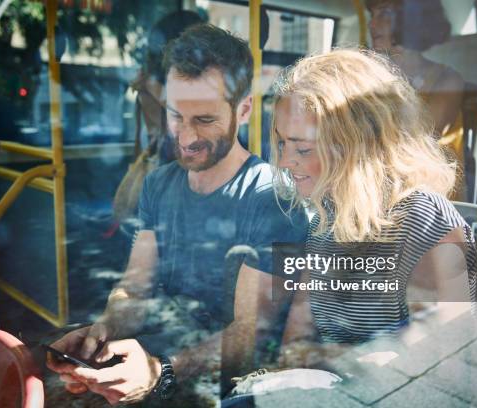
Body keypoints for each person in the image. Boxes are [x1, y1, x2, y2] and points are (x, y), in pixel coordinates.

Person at [48, 24, 307, 405]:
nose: (185, 138)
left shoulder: (273, 196)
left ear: (244, 109)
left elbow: (252, 331)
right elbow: (135, 286)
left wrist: (161, 370)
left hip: (228, 386)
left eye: (204, 120)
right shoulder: (158, 184)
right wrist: (101, 330)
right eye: (175, 116)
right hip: (164, 354)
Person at [270, 49, 476, 349]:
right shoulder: (325, 219)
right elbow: (298, 334)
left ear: (357, 146)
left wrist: (333, 372)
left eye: (302, 149)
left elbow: (442, 360)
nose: (285, 161)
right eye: (281, 142)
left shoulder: (422, 220)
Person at [367, 0, 468, 200]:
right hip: (383, 196)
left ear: (413, 21)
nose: (372, 24)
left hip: (433, 202)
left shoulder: (447, 80)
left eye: (384, 13)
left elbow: (417, 142)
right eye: (372, 16)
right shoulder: (372, 78)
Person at [113, 10, 203, 230]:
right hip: (175, 163)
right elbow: (183, 112)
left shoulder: (149, 78)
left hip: (162, 162)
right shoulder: (161, 84)